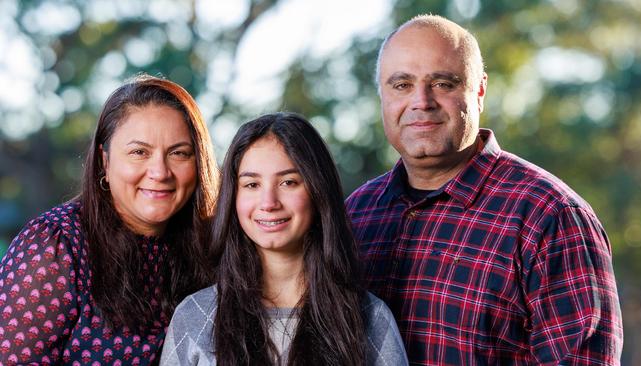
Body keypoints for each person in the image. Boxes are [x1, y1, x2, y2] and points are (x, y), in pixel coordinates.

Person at [345, 14, 624, 365]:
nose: (422, 101)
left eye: (443, 83)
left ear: (479, 91)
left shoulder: (549, 216)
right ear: (382, 96)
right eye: (401, 85)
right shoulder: (357, 213)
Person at [0, 74, 219, 365]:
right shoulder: (55, 247)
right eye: (139, 152)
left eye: (178, 153)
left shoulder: (209, 248)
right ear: (105, 161)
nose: (160, 171)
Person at [161, 112, 408, 365]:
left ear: (318, 191)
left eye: (289, 182)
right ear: (233, 197)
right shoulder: (195, 317)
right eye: (252, 185)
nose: (268, 203)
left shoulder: (370, 318)